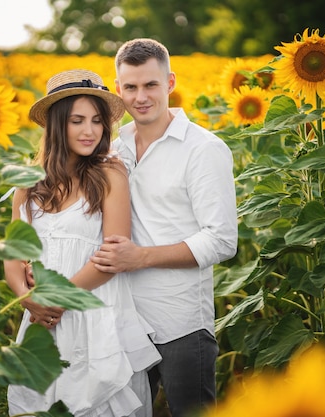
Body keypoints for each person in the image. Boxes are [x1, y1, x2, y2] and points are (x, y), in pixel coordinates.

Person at [91, 39, 238, 417]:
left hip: (181, 326)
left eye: (150, 85)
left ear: (170, 83)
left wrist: (139, 257)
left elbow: (221, 240)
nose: (140, 97)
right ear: (118, 89)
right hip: (123, 320)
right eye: (130, 87)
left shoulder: (203, 149)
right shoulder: (114, 148)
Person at [4, 69, 161, 417]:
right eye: (77, 121)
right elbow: (14, 254)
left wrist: (58, 296)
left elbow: (112, 254)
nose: (90, 131)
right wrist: (26, 298)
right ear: (58, 125)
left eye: (96, 121)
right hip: (42, 320)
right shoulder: (27, 184)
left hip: (93, 313)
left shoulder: (109, 174)